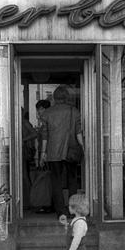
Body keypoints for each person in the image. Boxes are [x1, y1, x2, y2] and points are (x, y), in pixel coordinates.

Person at [39, 86, 83, 219]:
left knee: (56, 182)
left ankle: (60, 212)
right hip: (71, 151)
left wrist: (42, 153)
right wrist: (83, 147)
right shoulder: (74, 111)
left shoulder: (47, 113)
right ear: (67, 97)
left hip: (53, 153)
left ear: (54, 97)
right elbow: (78, 133)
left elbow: (45, 136)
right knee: (72, 181)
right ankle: (73, 210)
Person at [22, 109, 37, 210]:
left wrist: (22, 139)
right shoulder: (22, 122)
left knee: (24, 176)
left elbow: (34, 133)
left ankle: (28, 202)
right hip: (21, 151)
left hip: (23, 151)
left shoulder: (24, 122)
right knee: (23, 176)